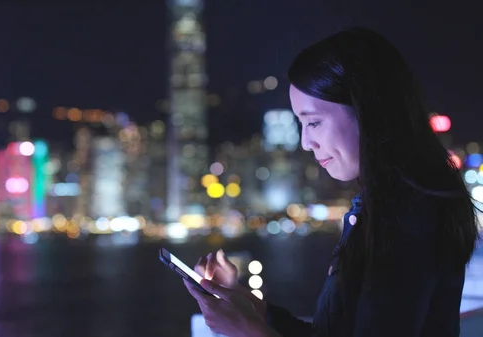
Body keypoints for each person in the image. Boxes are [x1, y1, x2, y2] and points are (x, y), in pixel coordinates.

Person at [184, 27, 480, 337]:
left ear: (366, 110)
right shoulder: (385, 206)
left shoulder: (407, 216)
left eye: (313, 122)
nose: (305, 142)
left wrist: (247, 331)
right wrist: (249, 306)